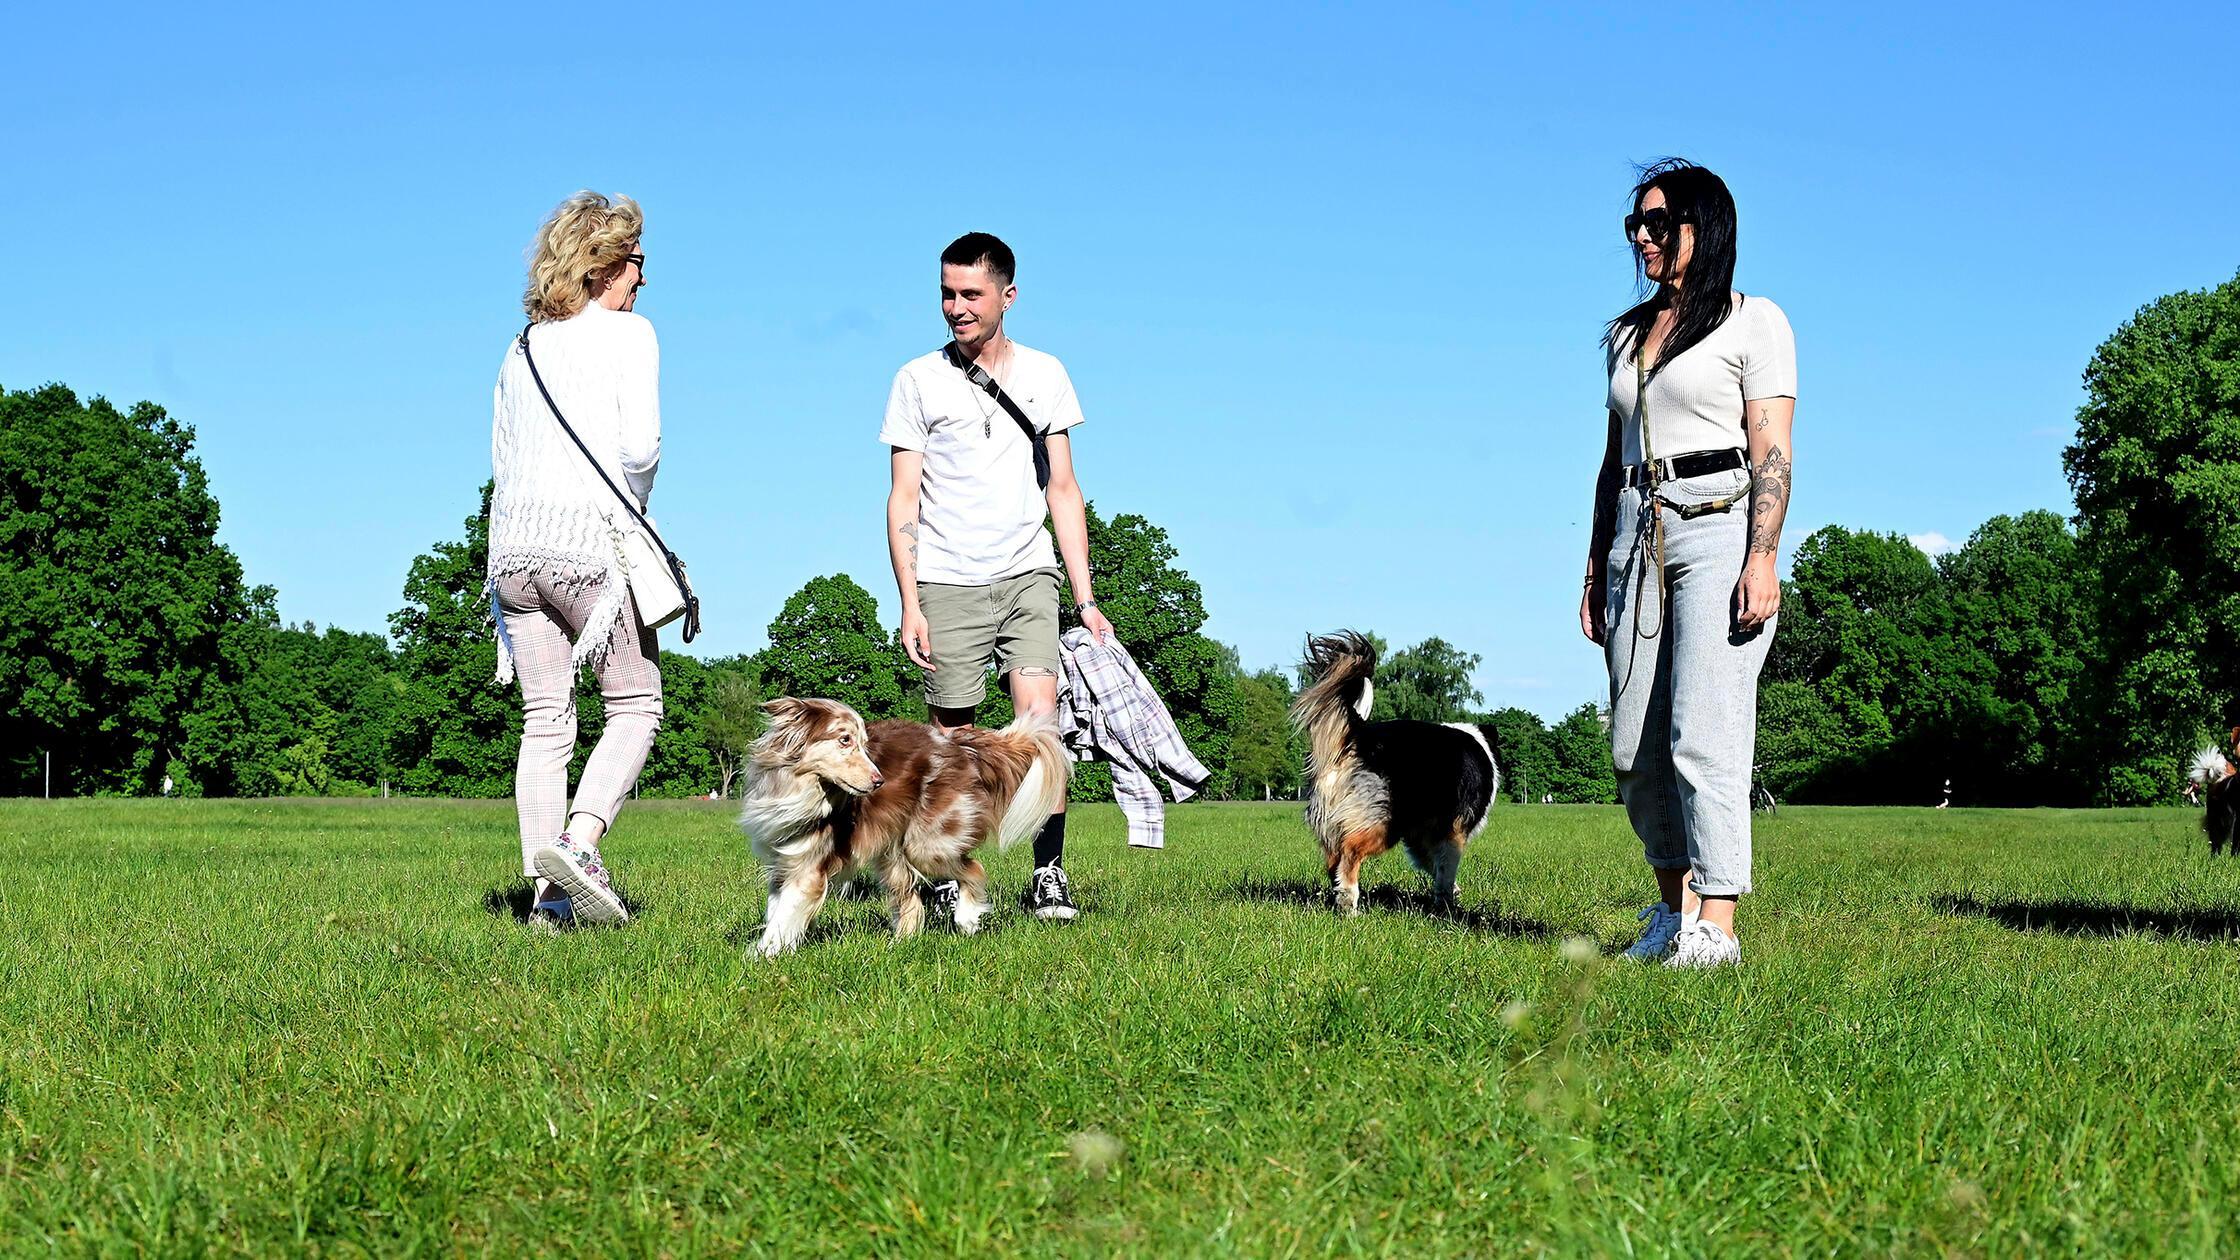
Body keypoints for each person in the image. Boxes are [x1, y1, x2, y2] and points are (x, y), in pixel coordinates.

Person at [1582, 160, 1796, 968]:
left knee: (1702, 732)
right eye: (1635, 225)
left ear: (1702, 229)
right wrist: (1595, 568)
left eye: (1659, 223)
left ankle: (1718, 925)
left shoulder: (1754, 323)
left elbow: (1772, 450)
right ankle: (1672, 911)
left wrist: (1762, 557)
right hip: (1636, 528)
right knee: (1634, 742)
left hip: (1716, 522)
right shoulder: (1631, 336)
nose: (1642, 237)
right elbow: (1614, 456)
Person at [881, 232, 1115, 921]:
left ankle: (1049, 874)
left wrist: (1085, 598)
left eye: (971, 295)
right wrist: (909, 601)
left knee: (1040, 725)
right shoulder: (916, 380)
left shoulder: (1045, 374)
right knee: (949, 739)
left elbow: (1063, 490)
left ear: (1007, 297)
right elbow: (903, 498)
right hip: (947, 580)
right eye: (947, 294)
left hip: (1026, 572)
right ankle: (948, 870)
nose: (956, 307)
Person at [486, 191, 664, 927]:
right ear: (602, 266)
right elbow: (641, 451)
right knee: (635, 703)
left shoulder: (520, 345)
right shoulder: (631, 336)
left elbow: (500, 455)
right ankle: (581, 843)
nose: (642, 281)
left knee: (545, 721)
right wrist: (636, 515)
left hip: (512, 554)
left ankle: (546, 904)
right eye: (636, 263)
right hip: (590, 550)